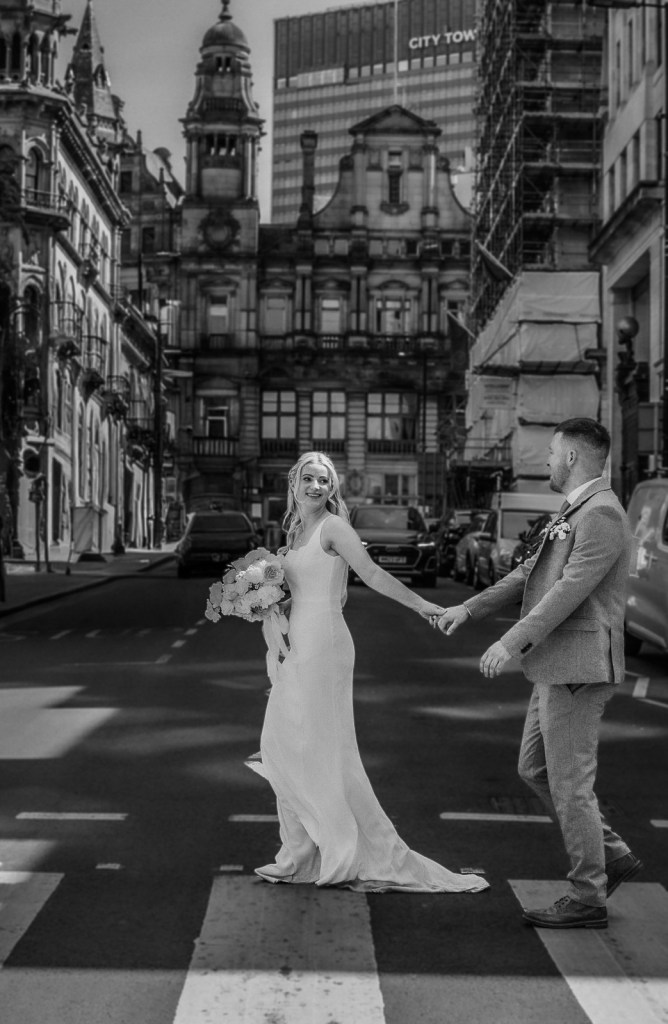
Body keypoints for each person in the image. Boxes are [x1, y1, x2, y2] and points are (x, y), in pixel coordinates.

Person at [433, 418, 641, 929]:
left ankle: (588, 895)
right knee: (534, 769)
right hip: (555, 664)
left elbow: (567, 591)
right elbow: (530, 573)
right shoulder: (574, 509)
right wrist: (470, 608)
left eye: (551, 452)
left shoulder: (602, 514)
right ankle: (611, 854)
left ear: (571, 457)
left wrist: (509, 642)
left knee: (571, 785)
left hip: (579, 668)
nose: (546, 459)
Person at [254, 451, 489, 894]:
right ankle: (300, 854)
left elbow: (372, 574)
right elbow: (302, 589)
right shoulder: (295, 530)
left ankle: (331, 851)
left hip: (325, 645)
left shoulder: (334, 527)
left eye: (325, 480)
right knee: (283, 743)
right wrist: (264, 601)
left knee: (320, 748)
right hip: (299, 641)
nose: (317, 487)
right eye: (309, 478)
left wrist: (422, 605)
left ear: (333, 488)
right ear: (294, 483)